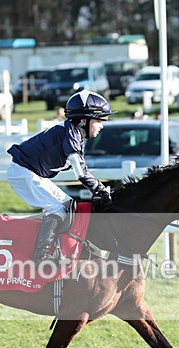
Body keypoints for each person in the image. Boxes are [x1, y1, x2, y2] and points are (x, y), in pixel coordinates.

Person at [7, 90, 113, 264]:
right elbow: (81, 173)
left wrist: (100, 189)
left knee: (67, 205)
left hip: (30, 172)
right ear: (83, 120)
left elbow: (82, 168)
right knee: (57, 209)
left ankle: (58, 247)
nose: (102, 125)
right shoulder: (71, 135)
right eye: (99, 120)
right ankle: (41, 256)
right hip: (23, 172)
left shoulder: (75, 134)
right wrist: (101, 190)